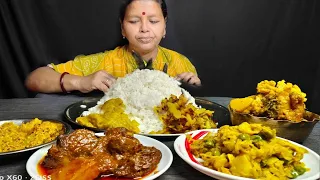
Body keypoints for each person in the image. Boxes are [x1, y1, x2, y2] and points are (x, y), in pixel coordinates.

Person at [25, 0, 201, 94]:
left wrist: (194, 87)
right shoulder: (103, 62)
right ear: (122, 28)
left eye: (153, 21)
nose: (145, 28)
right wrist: (81, 81)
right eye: (134, 21)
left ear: (165, 27)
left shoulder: (180, 63)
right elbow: (34, 79)